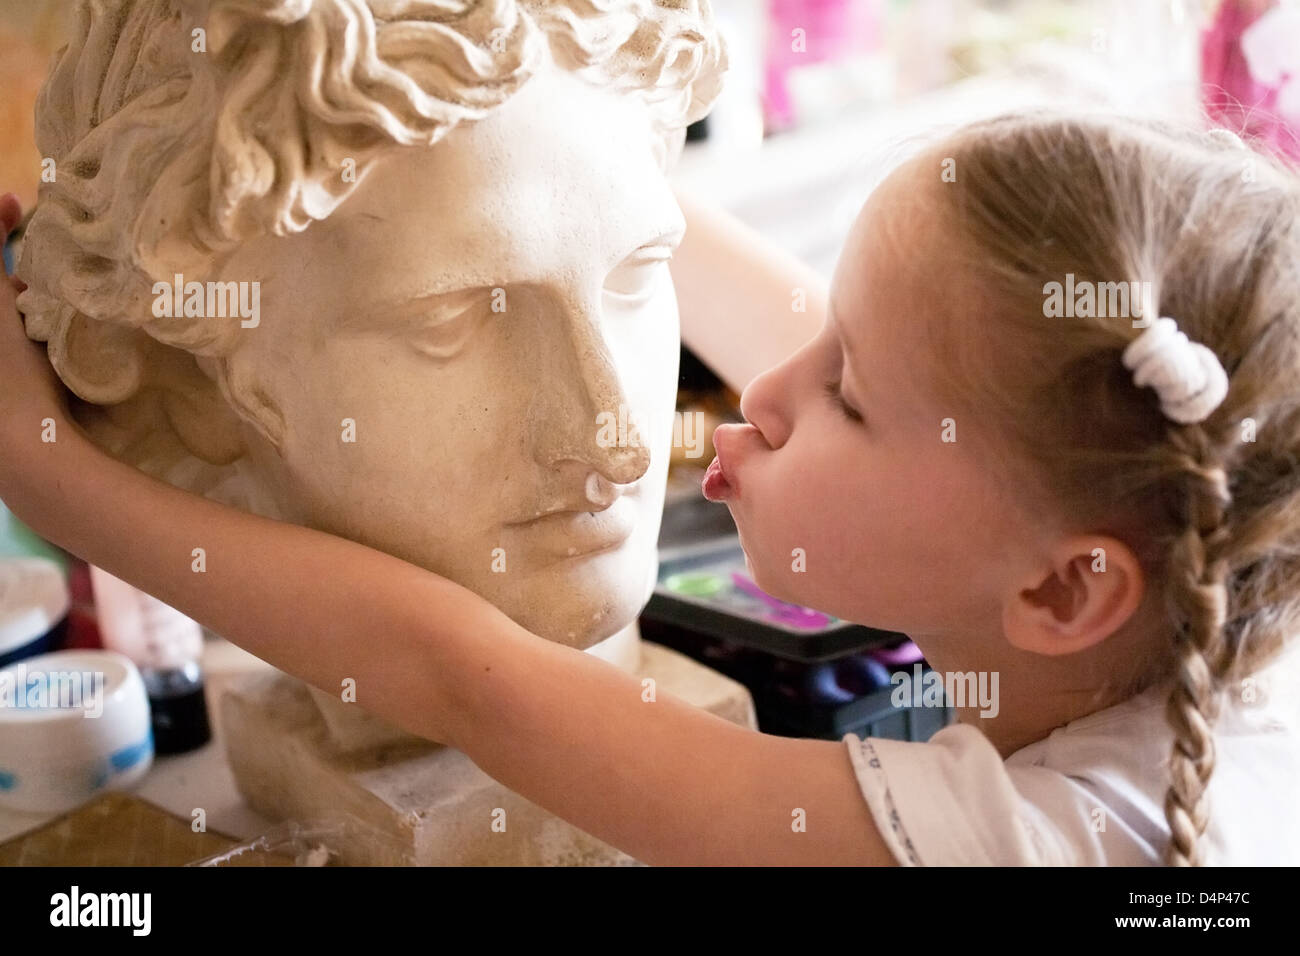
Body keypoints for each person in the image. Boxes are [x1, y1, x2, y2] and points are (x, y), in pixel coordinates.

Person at [2, 111, 1298, 866]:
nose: (762, 395)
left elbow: (459, 674)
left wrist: (49, 475)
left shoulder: (1012, 846)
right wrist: (549, 111)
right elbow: (951, 421)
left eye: (844, 390)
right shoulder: (1200, 574)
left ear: (1067, 588)